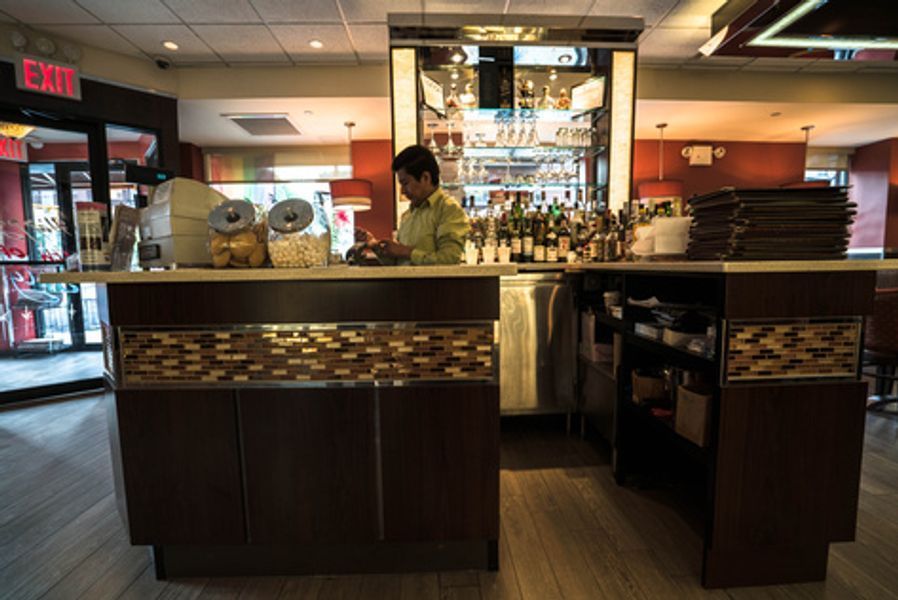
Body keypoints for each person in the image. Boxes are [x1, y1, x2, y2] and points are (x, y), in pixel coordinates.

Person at [357, 144, 469, 265]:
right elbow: (399, 263)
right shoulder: (407, 215)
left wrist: (406, 251)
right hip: (404, 284)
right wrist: (374, 245)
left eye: (405, 183)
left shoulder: (449, 210)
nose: (403, 191)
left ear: (425, 178)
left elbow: (449, 260)